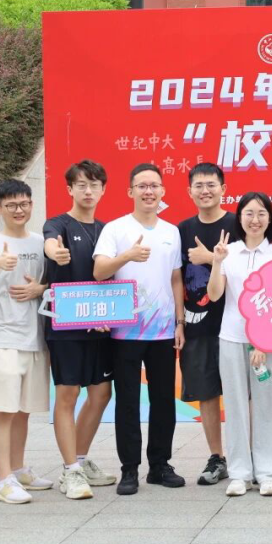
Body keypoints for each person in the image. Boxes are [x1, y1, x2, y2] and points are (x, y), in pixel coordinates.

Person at [93, 163, 185, 496]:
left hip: (163, 331)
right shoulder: (115, 229)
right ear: (130, 191)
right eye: (142, 186)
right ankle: (129, 469)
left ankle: (159, 465)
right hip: (124, 332)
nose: (149, 191)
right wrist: (127, 256)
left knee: (164, 401)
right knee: (128, 402)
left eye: (154, 185)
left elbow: (175, 279)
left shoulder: (171, 231)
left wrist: (179, 322)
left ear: (162, 191)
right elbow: (99, 271)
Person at [0, 180, 50, 504]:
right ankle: (3, 480)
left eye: (24, 204)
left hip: (36, 338)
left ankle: (18, 469)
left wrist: (39, 289)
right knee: (4, 411)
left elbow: (49, 283)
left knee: (23, 411)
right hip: (4, 336)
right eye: (12, 205)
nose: (19, 210)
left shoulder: (41, 241)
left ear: (31, 205)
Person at [43, 160, 117, 500]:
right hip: (66, 327)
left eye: (94, 185)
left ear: (103, 189)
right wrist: (55, 253)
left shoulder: (107, 230)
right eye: (81, 185)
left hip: (101, 323)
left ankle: (81, 460)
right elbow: (50, 245)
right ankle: (69, 470)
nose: (88, 191)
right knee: (68, 393)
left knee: (101, 393)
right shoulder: (57, 224)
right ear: (69, 189)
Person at [206, 192, 272, 498]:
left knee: (268, 406)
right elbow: (215, 295)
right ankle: (240, 473)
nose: (255, 220)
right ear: (239, 217)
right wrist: (217, 262)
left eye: (262, 213)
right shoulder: (228, 252)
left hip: (268, 342)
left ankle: (267, 473)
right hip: (231, 337)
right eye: (249, 213)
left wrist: (263, 341)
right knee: (236, 406)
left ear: (270, 218)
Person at [178, 163, 237, 487]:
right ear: (189, 191)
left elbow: (249, 267)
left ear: (223, 188)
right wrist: (179, 322)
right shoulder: (182, 229)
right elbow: (176, 279)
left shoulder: (238, 224)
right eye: (198, 185)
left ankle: (247, 456)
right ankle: (217, 457)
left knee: (243, 394)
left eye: (211, 184)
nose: (205, 190)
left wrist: (212, 259)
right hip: (197, 324)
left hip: (236, 325)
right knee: (207, 393)